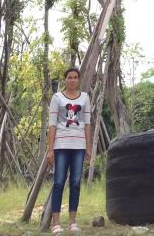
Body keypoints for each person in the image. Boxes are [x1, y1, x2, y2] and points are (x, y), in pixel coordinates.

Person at [47, 66, 92, 234]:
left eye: (75, 77)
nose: (72, 80)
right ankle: (56, 223)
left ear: (78, 80)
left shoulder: (85, 98)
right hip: (60, 146)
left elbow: (87, 123)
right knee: (58, 183)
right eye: (70, 77)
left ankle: (73, 222)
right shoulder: (57, 98)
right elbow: (52, 124)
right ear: (65, 80)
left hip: (79, 147)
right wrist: (50, 150)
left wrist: (88, 147)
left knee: (75, 183)